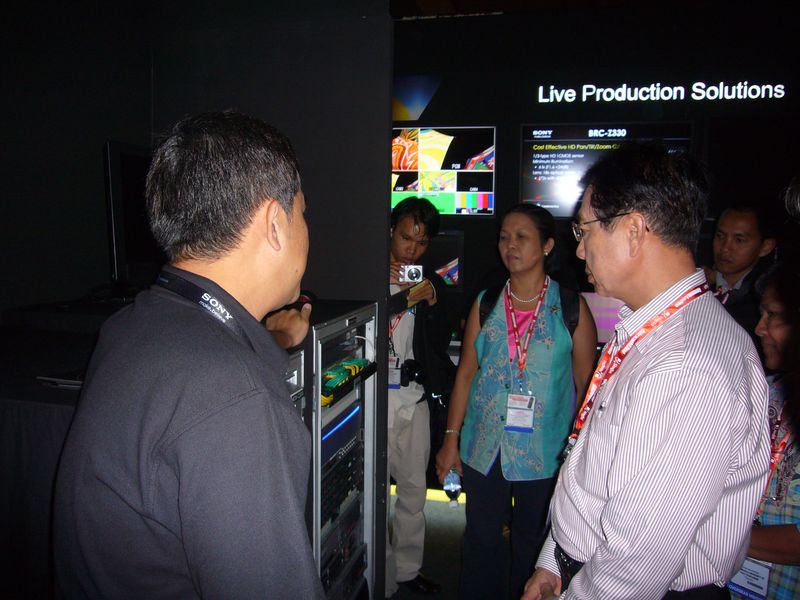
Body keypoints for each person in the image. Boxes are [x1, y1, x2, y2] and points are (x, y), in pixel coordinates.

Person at [53, 111, 324, 598]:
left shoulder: (133, 324)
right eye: (302, 213)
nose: (307, 229)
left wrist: (275, 341)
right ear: (275, 224)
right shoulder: (237, 400)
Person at [522, 142, 771, 600]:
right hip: (582, 566)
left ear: (634, 230)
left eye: (584, 230)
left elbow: (636, 565)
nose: (580, 251)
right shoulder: (655, 330)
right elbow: (597, 471)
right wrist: (554, 560)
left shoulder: (686, 367)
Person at [435, 203, 597, 599]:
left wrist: (583, 455)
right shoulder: (487, 302)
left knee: (534, 547)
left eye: (521, 237)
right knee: (480, 540)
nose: (510, 245)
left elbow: (587, 387)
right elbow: (466, 374)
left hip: (546, 452)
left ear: (547, 245)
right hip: (484, 446)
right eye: (504, 237)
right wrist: (450, 439)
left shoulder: (571, 308)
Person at [386, 197, 455, 598]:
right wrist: (401, 295)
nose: (412, 249)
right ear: (390, 232)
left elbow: (441, 340)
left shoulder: (430, 283)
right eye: (405, 237)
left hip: (414, 395)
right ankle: (378, 569)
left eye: (422, 242)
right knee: (372, 488)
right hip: (376, 398)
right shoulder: (364, 273)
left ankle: (407, 570)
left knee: (414, 489)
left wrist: (430, 301)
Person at [729, 264, 800, 599]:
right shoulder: (765, 392)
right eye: (761, 314)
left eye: (773, 315)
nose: (759, 328)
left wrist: (715, 534)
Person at [705, 205, 777, 344]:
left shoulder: (764, 300)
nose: (725, 248)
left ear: (765, 247)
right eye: (720, 236)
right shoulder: (700, 284)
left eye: (739, 240)